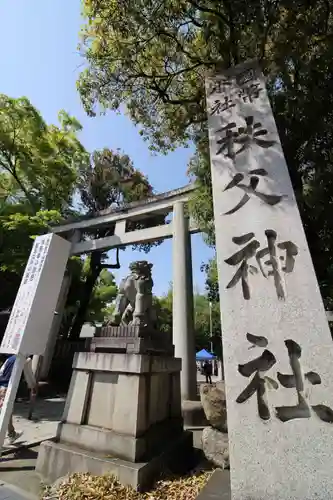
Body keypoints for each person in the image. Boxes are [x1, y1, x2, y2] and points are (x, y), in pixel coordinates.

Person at [0, 354, 36, 444]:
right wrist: (33, 386)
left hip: (1, 386)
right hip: (7, 389)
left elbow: (1, 371)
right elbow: (29, 376)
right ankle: (11, 434)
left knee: (6, 413)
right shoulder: (25, 359)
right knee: (6, 414)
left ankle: (12, 434)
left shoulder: (10, 359)